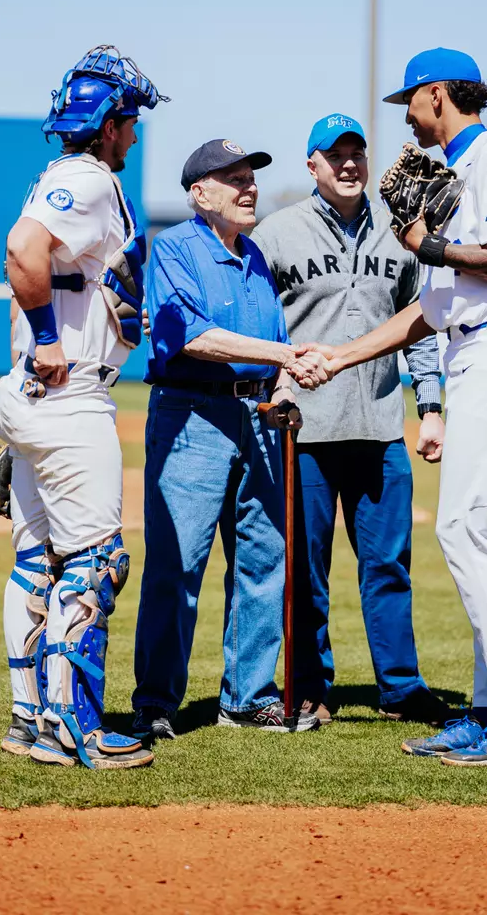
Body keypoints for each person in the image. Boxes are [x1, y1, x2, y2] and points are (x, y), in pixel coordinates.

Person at [300, 50, 487, 766]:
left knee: (461, 530)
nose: (405, 117)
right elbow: (426, 313)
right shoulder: (455, 173)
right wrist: (340, 358)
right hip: (477, 347)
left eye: (409, 103)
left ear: (437, 94)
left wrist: (430, 244)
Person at [0, 45, 167, 769]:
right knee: (97, 562)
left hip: (36, 401)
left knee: (36, 562)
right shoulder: (86, 180)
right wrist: (46, 342)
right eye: (128, 120)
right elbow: (21, 251)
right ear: (107, 123)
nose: (133, 134)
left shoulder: (61, 178)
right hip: (69, 399)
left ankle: (30, 719)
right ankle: (75, 727)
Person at [251, 114, 450, 727]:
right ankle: (310, 687)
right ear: (310, 164)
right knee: (305, 573)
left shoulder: (402, 236)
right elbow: (262, 329)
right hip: (302, 431)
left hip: (383, 426)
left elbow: (421, 324)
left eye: (356, 153)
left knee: (389, 566)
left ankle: (401, 688)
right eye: (334, 154)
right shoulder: (276, 234)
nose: (348, 164)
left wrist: (433, 407)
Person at [132, 139, 330, 738]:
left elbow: (273, 338)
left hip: (258, 418)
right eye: (234, 178)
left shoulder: (256, 258)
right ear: (200, 193)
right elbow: (191, 336)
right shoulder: (174, 250)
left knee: (263, 560)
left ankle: (247, 696)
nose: (249, 188)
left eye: (251, 178)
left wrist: (286, 388)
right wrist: (286, 355)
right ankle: (157, 701)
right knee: (178, 563)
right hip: (191, 417)